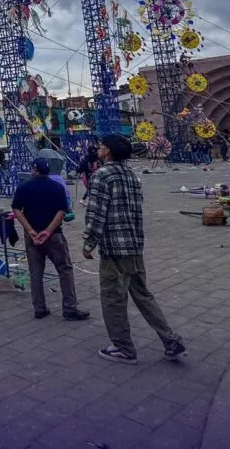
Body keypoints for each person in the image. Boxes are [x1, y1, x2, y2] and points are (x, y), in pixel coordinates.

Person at [83, 134, 186, 364]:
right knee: (143, 295)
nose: (99, 149)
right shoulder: (132, 176)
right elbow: (138, 212)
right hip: (134, 247)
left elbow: (97, 212)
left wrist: (89, 242)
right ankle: (170, 340)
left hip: (114, 250)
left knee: (113, 299)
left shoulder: (101, 175)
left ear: (108, 151)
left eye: (101, 146)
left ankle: (123, 348)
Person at [11, 158, 90, 321]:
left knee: (36, 272)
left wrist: (30, 230)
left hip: (32, 237)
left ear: (34, 170)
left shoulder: (24, 187)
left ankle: (39, 308)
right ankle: (69, 308)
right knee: (65, 270)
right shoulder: (57, 187)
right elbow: (62, 211)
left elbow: (16, 209)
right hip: (54, 236)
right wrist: (48, 231)